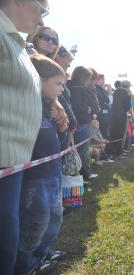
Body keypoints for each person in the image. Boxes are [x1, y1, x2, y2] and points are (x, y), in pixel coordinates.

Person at [0, 0, 49, 273]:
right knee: (4, 243)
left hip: (14, 160)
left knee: (8, 239)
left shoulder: (16, 41)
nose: (41, 20)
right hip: (3, 158)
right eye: (41, 9)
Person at [15, 54, 67, 274]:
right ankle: (26, 264)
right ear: (40, 80)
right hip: (35, 180)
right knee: (34, 223)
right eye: (58, 84)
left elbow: (59, 143)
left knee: (55, 216)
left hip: (54, 174)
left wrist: (62, 128)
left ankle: (43, 252)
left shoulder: (50, 108)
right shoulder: (27, 106)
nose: (62, 89)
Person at [68, 66, 99, 179]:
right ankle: (85, 173)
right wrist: (88, 109)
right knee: (83, 150)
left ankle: (77, 173)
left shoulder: (69, 86)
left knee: (75, 150)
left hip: (75, 123)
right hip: (82, 122)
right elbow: (83, 107)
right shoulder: (80, 89)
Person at [108, 80, 132, 158]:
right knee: (121, 135)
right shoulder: (127, 93)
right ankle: (118, 153)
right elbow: (128, 106)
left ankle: (111, 152)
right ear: (127, 86)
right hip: (122, 116)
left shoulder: (116, 91)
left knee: (113, 134)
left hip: (113, 115)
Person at [95, 74, 111, 140]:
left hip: (103, 114)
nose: (104, 81)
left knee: (104, 133)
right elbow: (107, 100)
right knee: (103, 134)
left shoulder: (100, 89)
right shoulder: (97, 89)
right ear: (98, 80)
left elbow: (107, 101)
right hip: (101, 116)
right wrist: (109, 92)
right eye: (103, 79)